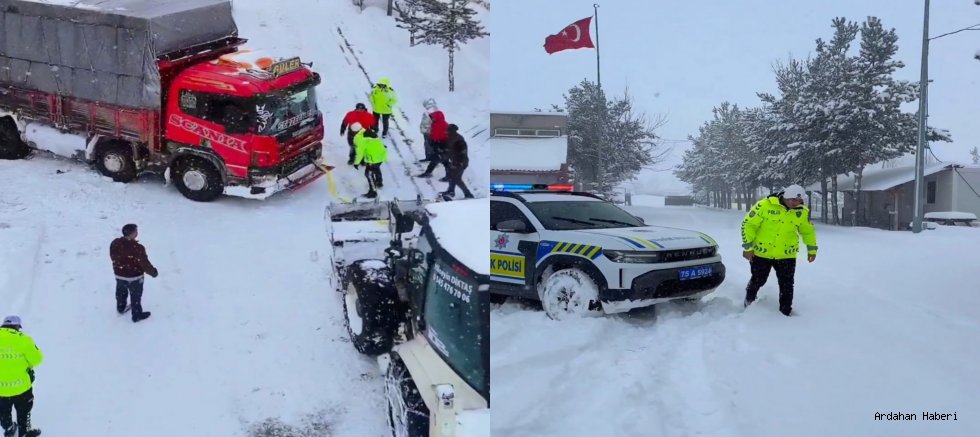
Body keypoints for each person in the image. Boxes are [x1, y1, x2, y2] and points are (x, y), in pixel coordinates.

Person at [741, 184, 817, 316]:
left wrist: (812, 250)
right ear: (785, 196)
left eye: (798, 200)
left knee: (787, 284)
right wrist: (748, 247)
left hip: (786, 255)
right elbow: (748, 225)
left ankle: (785, 311)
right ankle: (749, 302)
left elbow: (807, 232)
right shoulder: (765, 205)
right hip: (761, 253)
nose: (794, 202)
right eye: (791, 199)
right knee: (758, 279)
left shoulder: (802, 211)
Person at [0, 315, 43, 437]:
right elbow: (37, 359)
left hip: (0, 390)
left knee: (3, 411)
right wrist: (27, 366)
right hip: (21, 387)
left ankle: (8, 429)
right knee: (24, 410)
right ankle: (24, 432)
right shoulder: (24, 340)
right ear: (17, 327)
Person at [109, 223, 158, 323]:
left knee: (121, 292)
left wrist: (119, 267)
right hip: (135, 277)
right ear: (131, 233)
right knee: (136, 296)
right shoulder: (138, 248)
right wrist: (153, 272)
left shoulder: (115, 243)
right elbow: (144, 264)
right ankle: (137, 315)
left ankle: (121, 307)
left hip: (119, 275)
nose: (137, 233)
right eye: (136, 231)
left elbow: (113, 256)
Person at [353, 128, 388, 198]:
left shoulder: (361, 140)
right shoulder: (370, 133)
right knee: (376, 168)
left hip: (373, 159)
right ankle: (379, 182)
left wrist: (356, 163)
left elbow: (360, 153)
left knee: (368, 174)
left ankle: (373, 192)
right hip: (381, 156)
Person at [442, 124, 474, 199]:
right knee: (451, 176)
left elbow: (463, 152)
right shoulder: (450, 138)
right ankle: (451, 191)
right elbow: (449, 149)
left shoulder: (459, 139)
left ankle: (468, 194)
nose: (446, 131)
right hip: (454, 161)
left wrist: (459, 162)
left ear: (452, 131)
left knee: (457, 178)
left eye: (447, 130)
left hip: (461, 162)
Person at [416, 109, 449, 181]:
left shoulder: (439, 124)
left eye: (432, 117)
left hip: (443, 145)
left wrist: (433, 143)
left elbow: (436, 135)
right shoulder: (439, 123)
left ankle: (429, 173)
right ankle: (429, 173)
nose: (431, 119)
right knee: (442, 161)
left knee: (441, 161)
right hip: (441, 145)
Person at [418, 98, 439, 162]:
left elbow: (428, 122)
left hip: (429, 131)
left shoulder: (430, 112)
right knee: (429, 144)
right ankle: (430, 157)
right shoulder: (433, 110)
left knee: (429, 144)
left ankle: (431, 157)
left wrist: (425, 129)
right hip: (428, 131)